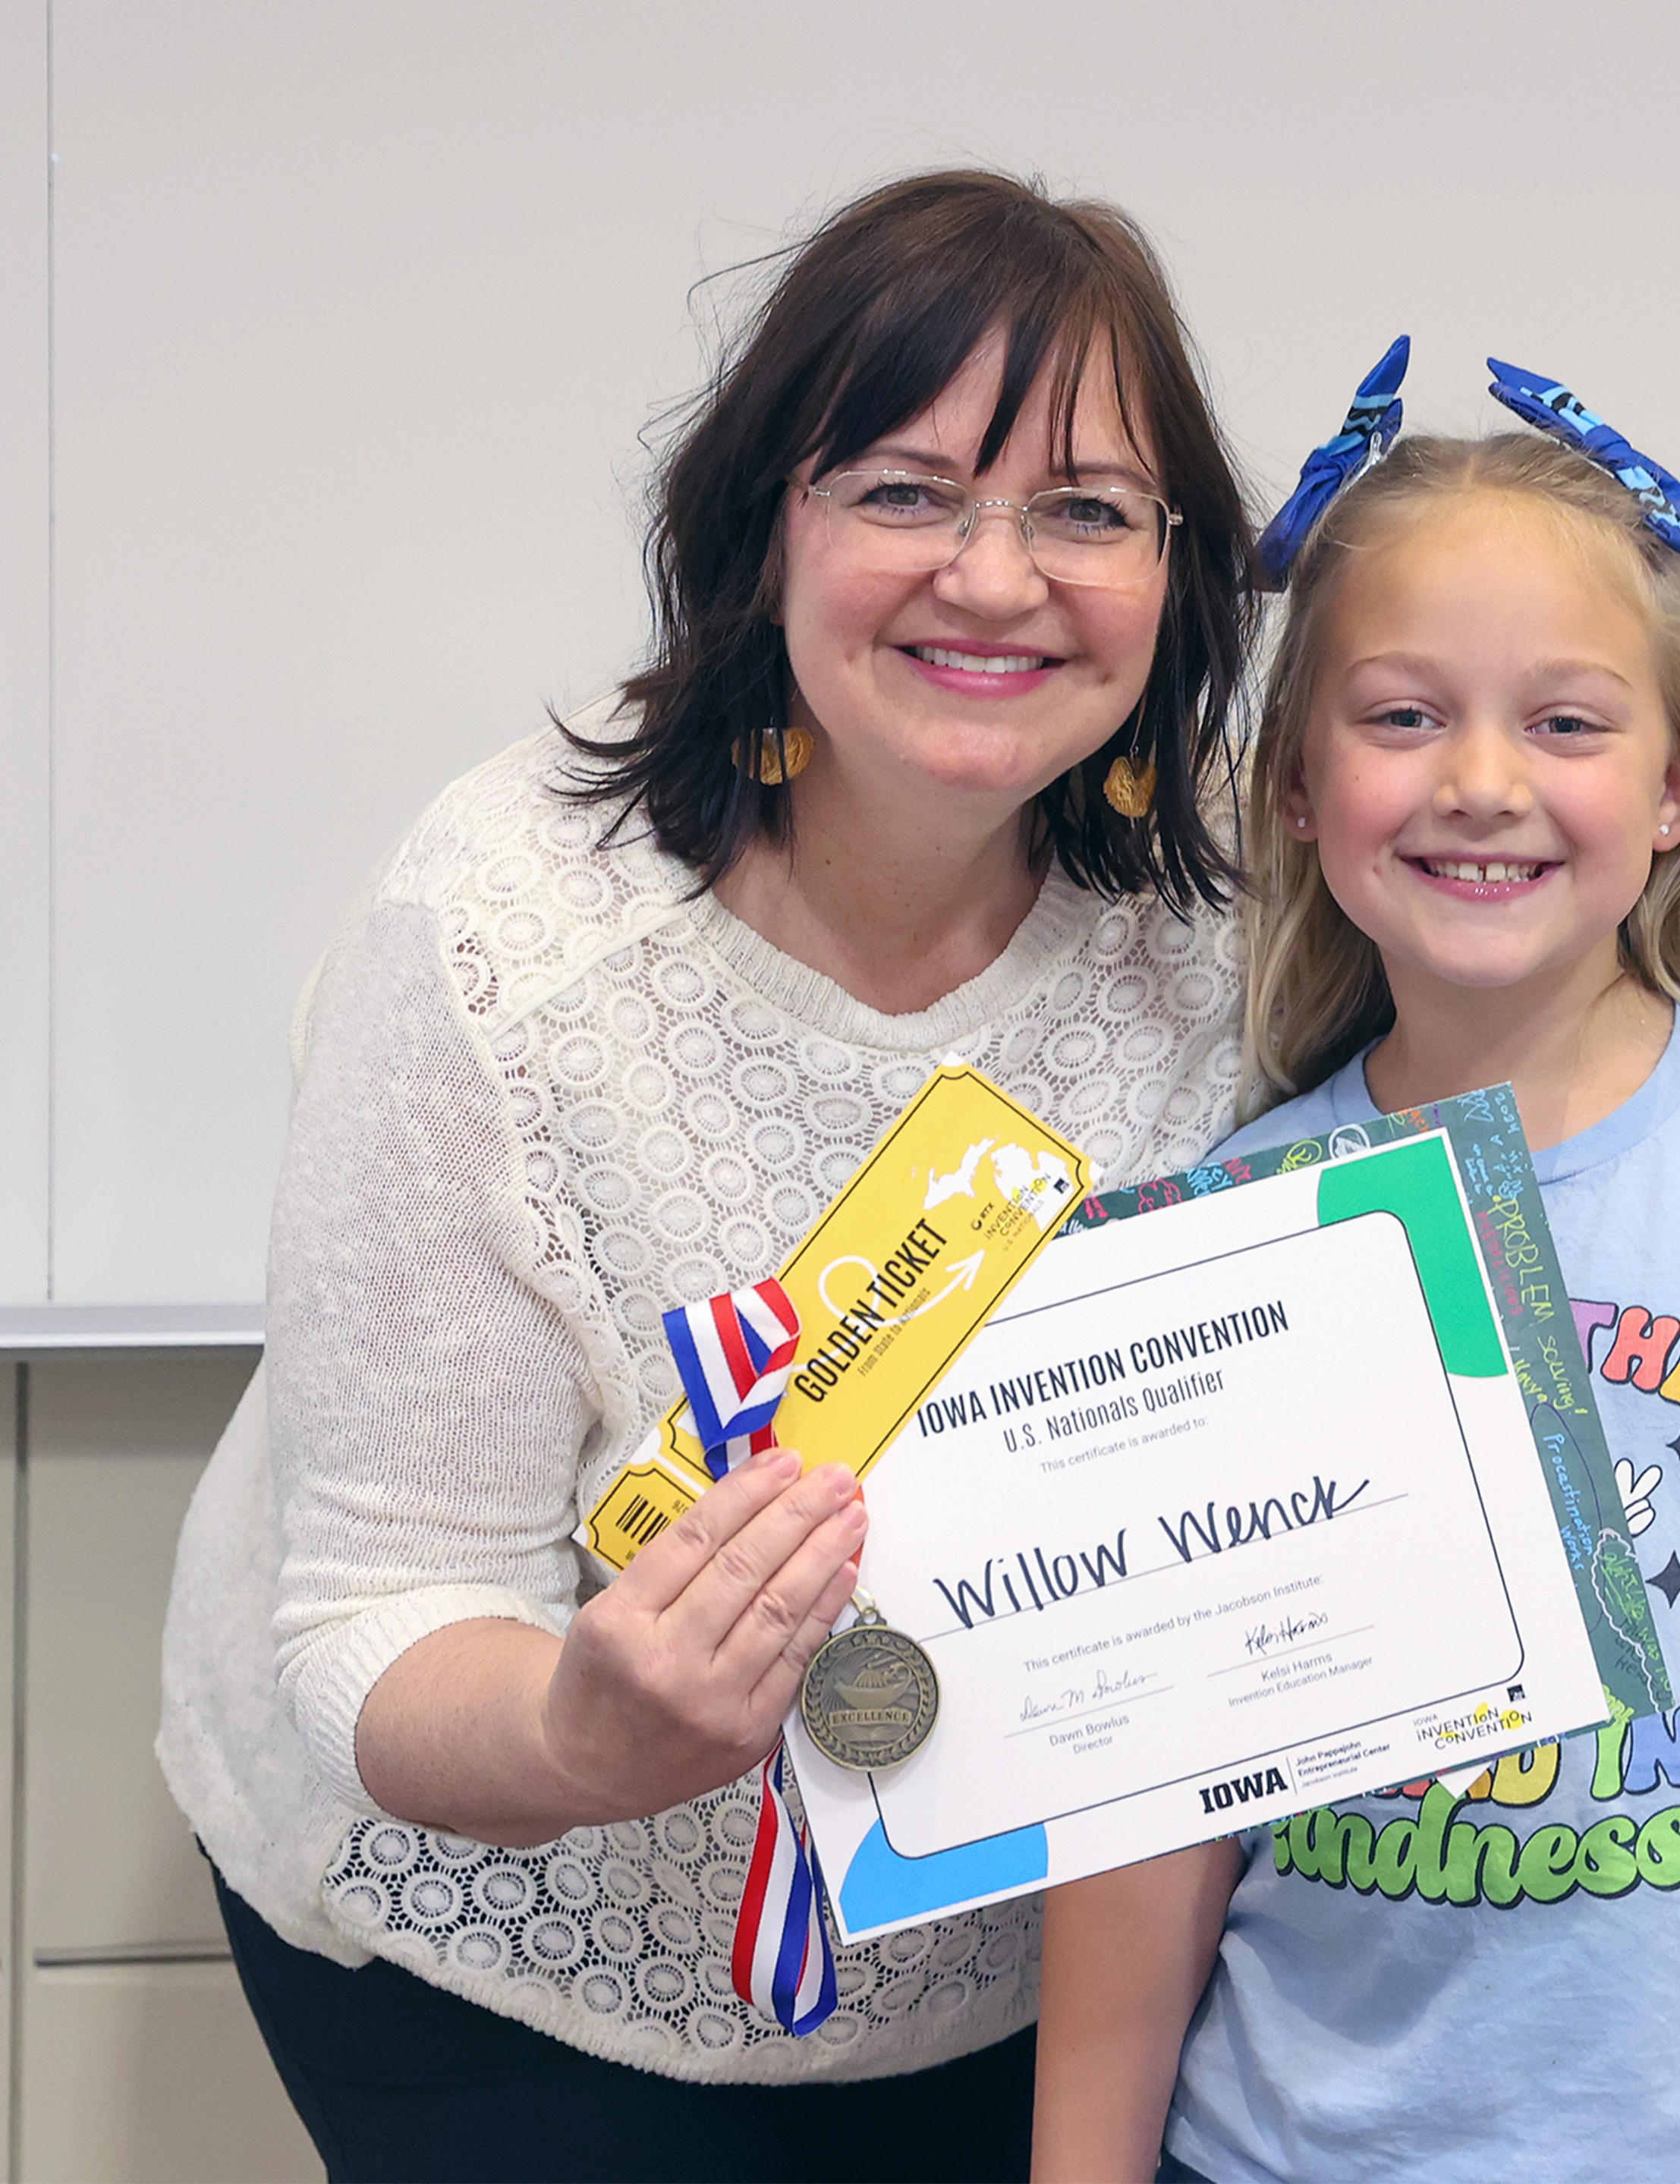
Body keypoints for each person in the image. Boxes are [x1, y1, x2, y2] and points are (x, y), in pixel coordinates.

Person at [156, 169, 1263, 2184]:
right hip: (497, 1948)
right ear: (767, 526)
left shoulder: (1246, 920)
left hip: (1016, 1965)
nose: (996, 576)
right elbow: (376, 1607)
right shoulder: (497, 939)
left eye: (1088, 509)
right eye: (907, 489)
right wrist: (580, 1736)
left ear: (1178, 568)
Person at [1033, 392, 1680, 2182]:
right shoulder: (1234, 1220)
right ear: (1298, 787)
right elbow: (1150, 1810)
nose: (1483, 780)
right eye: (1403, 715)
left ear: (1676, 791)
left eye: (1566, 720)